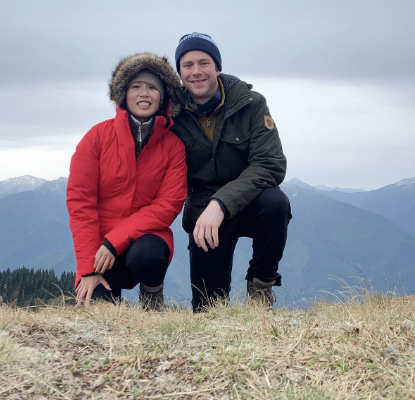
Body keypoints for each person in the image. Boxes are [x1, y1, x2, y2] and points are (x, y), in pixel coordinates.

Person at [169, 33, 292, 311]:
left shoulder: (251, 103)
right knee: (208, 310)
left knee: (275, 203)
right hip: (203, 214)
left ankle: (261, 286)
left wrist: (221, 203)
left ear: (218, 68)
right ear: (179, 73)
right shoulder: (172, 112)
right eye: (188, 65)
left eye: (204, 63)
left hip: (249, 202)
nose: (196, 71)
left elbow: (270, 164)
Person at [66, 53, 187, 310]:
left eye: (152, 87)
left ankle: (152, 295)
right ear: (124, 94)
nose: (144, 94)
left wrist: (115, 241)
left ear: (163, 97)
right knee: (98, 316)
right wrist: (88, 269)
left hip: (143, 242)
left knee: (150, 256)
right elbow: (81, 204)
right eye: (136, 87)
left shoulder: (173, 146)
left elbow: (168, 206)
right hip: (99, 252)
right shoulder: (97, 137)